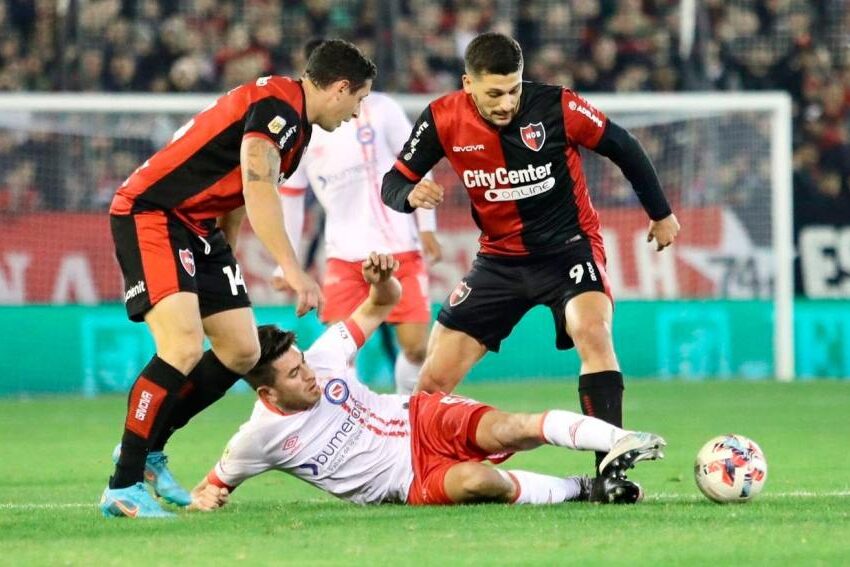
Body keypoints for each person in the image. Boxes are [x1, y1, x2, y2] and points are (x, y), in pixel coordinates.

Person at [100, 39, 377, 519]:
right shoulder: (279, 110)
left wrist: (221, 257)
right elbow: (256, 183)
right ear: (340, 88)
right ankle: (123, 485)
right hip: (155, 213)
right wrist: (291, 267)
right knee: (182, 347)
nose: (357, 113)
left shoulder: (295, 122)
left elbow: (230, 191)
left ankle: (149, 455)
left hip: (198, 228)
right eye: (359, 99)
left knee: (242, 350)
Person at [381, 32, 680, 474]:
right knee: (432, 381)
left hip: (569, 251)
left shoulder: (557, 106)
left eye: (514, 89)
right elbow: (392, 181)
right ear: (468, 84)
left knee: (592, 333)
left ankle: (609, 471)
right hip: (498, 262)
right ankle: (415, 469)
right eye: (494, 93)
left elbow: (623, 145)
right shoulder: (442, 118)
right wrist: (410, 194)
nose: (506, 103)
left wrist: (660, 213)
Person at [189, 252, 666, 511]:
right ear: (267, 393)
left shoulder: (326, 355)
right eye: (295, 373)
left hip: (420, 419)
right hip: (409, 481)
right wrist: (204, 498)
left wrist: (381, 284)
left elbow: (381, 304)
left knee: (510, 429)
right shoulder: (257, 440)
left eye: (303, 363)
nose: (310, 374)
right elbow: (212, 486)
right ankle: (584, 490)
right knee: (480, 482)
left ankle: (623, 440)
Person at [273, 39, 442, 395]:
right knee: (338, 353)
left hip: (398, 246)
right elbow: (290, 196)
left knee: (416, 346)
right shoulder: (300, 128)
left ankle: (407, 418)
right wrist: (282, 263)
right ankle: (348, 430)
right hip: (344, 254)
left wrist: (426, 227)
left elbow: (418, 163)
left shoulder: (382, 110)